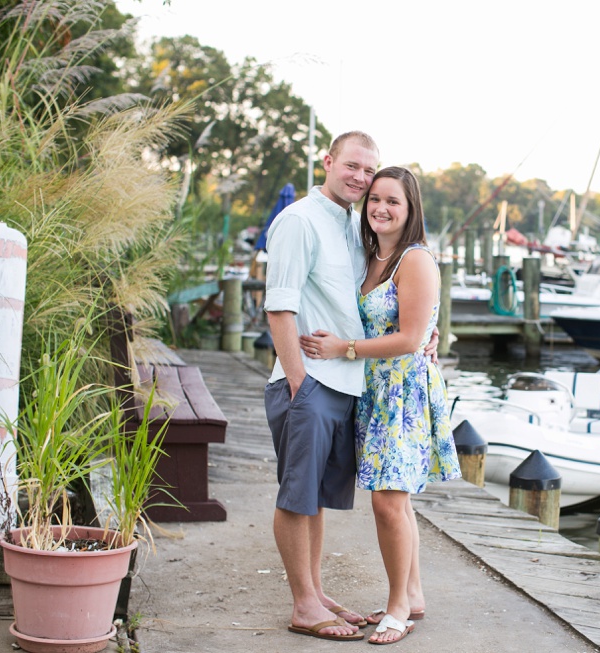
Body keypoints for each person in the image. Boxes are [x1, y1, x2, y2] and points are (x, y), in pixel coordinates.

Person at [299, 166, 461, 645]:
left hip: (402, 393)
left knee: (388, 502)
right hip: (373, 391)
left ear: (409, 210)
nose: (380, 209)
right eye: (374, 199)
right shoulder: (371, 257)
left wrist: (342, 348)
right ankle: (411, 595)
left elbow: (411, 338)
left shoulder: (414, 259)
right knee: (397, 502)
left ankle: (397, 610)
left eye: (393, 201)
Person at [262, 131, 379, 642]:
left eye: (369, 171)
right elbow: (279, 307)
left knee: (315, 500)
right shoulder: (299, 221)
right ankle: (303, 605)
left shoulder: (352, 226)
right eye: (352, 165)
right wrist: (298, 384)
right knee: (296, 497)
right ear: (328, 162)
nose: (360, 177)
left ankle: (315, 591)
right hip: (307, 384)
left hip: (344, 384)